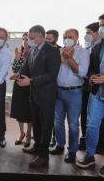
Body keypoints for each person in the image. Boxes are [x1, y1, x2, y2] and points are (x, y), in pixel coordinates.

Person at [11, 25, 61, 167]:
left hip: (47, 96)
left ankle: (43, 155)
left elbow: (52, 75)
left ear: (40, 37)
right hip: (34, 95)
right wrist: (19, 75)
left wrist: (30, 81)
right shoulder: (32, 50)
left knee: (46, 125)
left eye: (32, 38)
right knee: (36, 123)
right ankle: (37, 146)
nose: (30, 41)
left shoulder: (53, 51)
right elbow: (26, 67)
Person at [49, 29, 90, 163]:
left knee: (73, 124)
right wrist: (61, 60)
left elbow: (82, 73)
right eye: (65, 37)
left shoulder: (83, 52)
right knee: (58, 121)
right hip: (59, 91)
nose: (67, 39)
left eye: (70, 37)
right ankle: (60, 145)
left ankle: (72, 150)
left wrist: (70, 58)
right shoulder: (59, 52)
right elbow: (53, 72)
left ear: (77, 38)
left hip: (74, 92)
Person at [76, 14, 104, 168]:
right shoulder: (98, 46)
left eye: (103, 25)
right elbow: (91, 67)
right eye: (101, 25)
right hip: (96, 94)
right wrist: (92, 75)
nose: (101, 28)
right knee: (92, 125)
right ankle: (90, 155)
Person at [79, 22, 102, 151]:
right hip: (88, 87)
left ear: (96, 32)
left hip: (99, 88)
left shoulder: (100, 47)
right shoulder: (89, 48)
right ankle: (85, 141)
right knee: (86, 117)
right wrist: (91, 75)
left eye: (88, 33)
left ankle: (98, 145)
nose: (86, 36)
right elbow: (88, 68)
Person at [10, 32, 32, 148]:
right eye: (23, 39)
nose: (25, 41)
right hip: (18, 85)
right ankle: (21, 132)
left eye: (27, 39)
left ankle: (29, 134)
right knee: (19, 110)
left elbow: (31, 70)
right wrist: (18, 59)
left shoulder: (34, 53)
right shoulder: (19, 53)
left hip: (29, 85)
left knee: (29, 110)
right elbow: (14, 69)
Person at [45, 29, 62, 147]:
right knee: (48, 115)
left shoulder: (61, 51)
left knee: (57, 117)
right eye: (46, 39)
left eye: (49, 39)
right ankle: (47, 137)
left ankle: (55, 139)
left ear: (56, 39)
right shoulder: (43, 50)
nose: (47, 41)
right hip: (46, 88)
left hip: (57, 87)